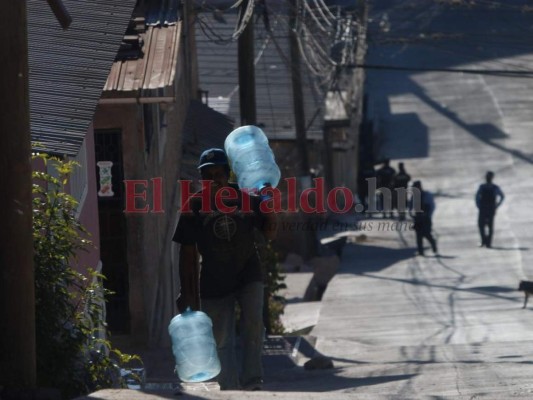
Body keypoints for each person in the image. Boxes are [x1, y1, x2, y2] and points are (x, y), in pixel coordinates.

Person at [173, 148, 278, 391]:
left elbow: (270, 233)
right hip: (213, 279)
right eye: (208, 176)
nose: (214, 180)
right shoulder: (195, 205)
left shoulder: (246, 198)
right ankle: (230, 388)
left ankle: (252, 379)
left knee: (254, 323)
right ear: (202, 178)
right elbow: (187, 254)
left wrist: (270, 207)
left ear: (227, 174)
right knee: (220, 338)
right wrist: (186, 291)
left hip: (248, 272)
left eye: (218, 174)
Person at [475, 171, 504, 248]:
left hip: (485, 208)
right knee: (484, 225)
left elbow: (477, 197)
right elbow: (502, 196)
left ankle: (486, 242)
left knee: (485, 225)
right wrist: (497, 205)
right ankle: (486, 242)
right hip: (489, 208)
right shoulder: (492, 187)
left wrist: (479, 205)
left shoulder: (484, 187)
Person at [410, 180, 438, 256]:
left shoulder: (426, 195)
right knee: (418, 236)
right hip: (418, 218)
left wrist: (428, 215)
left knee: (426, 234)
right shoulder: (414, 196)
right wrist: (412, 214)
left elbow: (430, 206)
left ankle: (433, 243)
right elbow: (410, 206)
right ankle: (420, 251)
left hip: (425, 218)